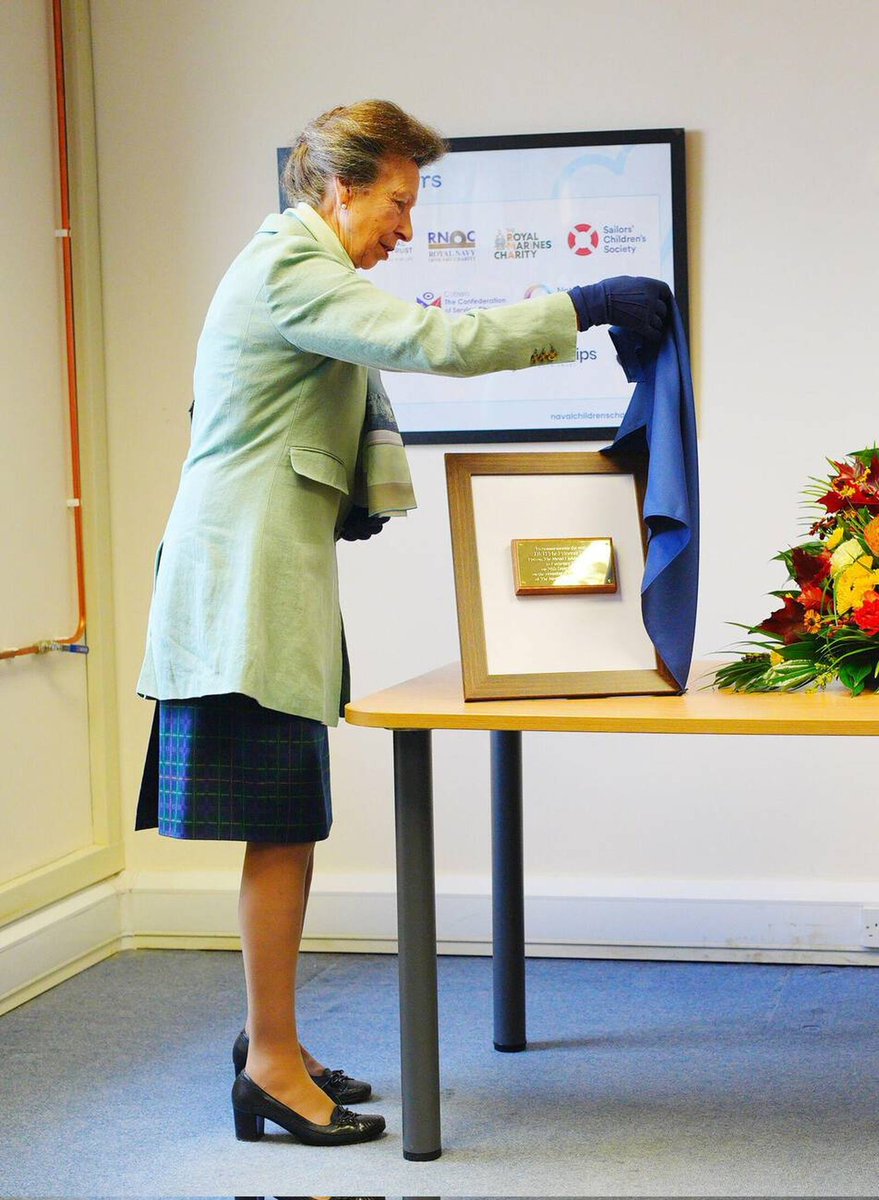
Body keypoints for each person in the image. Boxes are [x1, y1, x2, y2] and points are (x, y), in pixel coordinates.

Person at [136, 99, 669, 1148]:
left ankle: (269, 1040)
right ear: (341, 186)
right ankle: (273, 1064)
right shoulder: (291, 269)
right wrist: (583, 303)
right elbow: (437, 340)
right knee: (282, 829)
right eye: (397, 199)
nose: (407, 225)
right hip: (240, 594)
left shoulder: (296, 265)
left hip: (260, 587)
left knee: (290, 824)